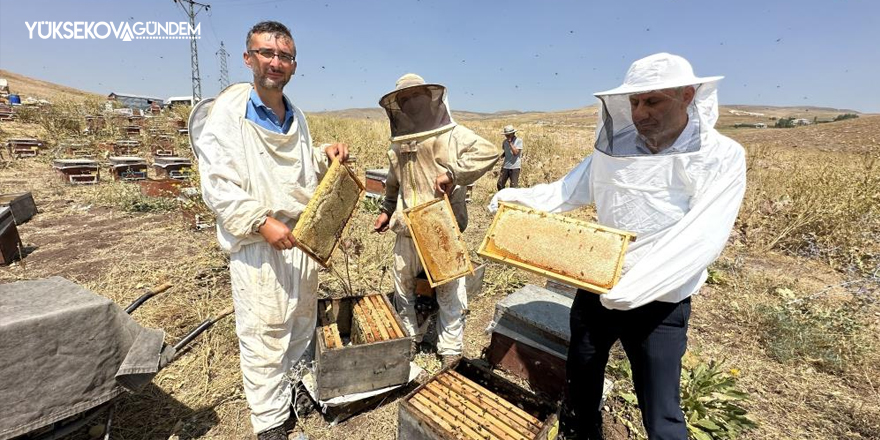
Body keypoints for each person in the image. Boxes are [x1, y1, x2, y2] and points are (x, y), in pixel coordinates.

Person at [489, 53, 747, 439]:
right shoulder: (613, 149)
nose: (640, 112)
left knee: (662, 411)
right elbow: (567, 191)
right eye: (634, 102)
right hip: (598, 284)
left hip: (661, 298)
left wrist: (638, 286)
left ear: (688, 95)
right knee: (582, 376)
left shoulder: (721, 156)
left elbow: (703, 235)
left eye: (653, 100)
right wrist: (517, 199)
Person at [191, 21, 348, 440]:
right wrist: (261, 221)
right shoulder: (229, 112)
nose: (275, 62)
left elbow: (294, 167)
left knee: (300, 325)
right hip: (259, 244)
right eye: (266, 53)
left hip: (302, 239)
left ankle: (294, 397)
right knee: (264, 337)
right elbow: (218, 184)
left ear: (293, 64)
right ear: (249, 58)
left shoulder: (294, 113)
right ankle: (270, 425)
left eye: (284, 56)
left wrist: (323, 155)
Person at [374, 73, 501, 368]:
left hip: (440, 225)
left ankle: (450, 348)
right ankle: (409, 339)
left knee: (449, 289)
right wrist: (385, 209)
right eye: (404, 100)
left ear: (427, 99)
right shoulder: (398, 145)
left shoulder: (451, 134)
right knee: (404, 285)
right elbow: (394, 183)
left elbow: (488, 152)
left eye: (415, 98)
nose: (410, 104)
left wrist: (453, 174)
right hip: (406, 227)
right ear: (399, 106)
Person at [497, 124, 523, 190]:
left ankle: (513, 199)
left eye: (509, 134)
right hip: (505, 166)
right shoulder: (504, 142)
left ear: (513, 133)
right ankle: (503, 197)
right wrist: (499, 158)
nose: (507, 136)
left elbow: (515, 153)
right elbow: (506, 152)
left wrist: (510, 143)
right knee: (500, 184)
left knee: (513, 186)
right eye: (506, 134)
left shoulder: (519, 141)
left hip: (515, 167)